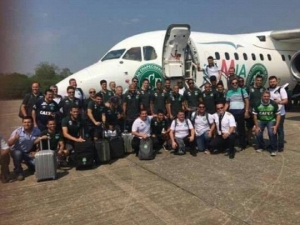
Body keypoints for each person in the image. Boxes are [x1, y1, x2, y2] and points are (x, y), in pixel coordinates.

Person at [8, 116, 41, 181]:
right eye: (25, 122)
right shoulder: (17, 131)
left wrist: (37, 150)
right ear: (22, 123)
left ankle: (28, 163)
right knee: (18, 153)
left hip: (28, 152)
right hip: (17, 151)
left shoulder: (37, 131)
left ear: (32, 123)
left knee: (37, 167)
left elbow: (38, 142)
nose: (26, 124)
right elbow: (9, 143)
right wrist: (15, 138)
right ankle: (19, 172)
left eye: (29, 122)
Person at [224, 78, 250, 151]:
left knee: (241, 129)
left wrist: (246, 111)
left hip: (240, 112)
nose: (235, 84)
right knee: (231, 129)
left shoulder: (242, 90)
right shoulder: (229, 92)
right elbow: (227, 103)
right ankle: (231, 144)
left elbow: (247, 101)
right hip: (231, 113)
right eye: (233, 83)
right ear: (231, 84)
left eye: (236, 83)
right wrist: (223, 110)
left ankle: (242, 145)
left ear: (238, 83)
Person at [252, 91, 280, 156]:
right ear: (262, 97)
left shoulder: (273, 104)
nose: (266, 98)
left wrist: (276, 126)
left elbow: (278, 115)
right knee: (258, 132)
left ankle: (274, 149)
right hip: (260, 120)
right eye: (264, 96)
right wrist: (256, 126)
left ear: (270, 97)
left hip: (271, 120)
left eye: (268, 96)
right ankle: (261, 146)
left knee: (271, 132)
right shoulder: (257, 103)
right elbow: (255, 115)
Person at [268, 75, 288, 152]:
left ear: (276, 81)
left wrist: (279, 102)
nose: (272, 83)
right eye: (271, 82)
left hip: (280, 113)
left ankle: (280, 145)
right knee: (272, 130)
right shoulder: (268, 90)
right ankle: (273, 144)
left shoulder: (281, 89)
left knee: (279, 129)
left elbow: (285, 101)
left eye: (273, 81)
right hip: (271, 113)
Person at [246, 75, 266, 145]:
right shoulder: (250, 89)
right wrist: (247, 109)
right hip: (251, 111)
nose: (259, 82)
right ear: (255, 80)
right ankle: (249, 141)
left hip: (259, 112)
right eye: (258, 80)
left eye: (260, 80)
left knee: (259, 127)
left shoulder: (263, 89)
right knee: (249, 127)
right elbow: (246, 100)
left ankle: (259, 142)